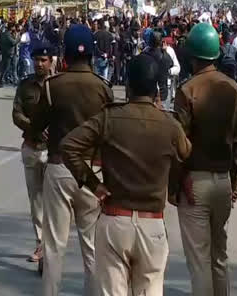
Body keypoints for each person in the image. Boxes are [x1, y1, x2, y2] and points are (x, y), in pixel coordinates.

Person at [60, 54, 192, 296]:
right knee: (150, 289)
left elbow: (69, 146)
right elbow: (186, 153)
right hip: (152, 223)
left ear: (128, 86)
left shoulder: (109, 117)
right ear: (157, 91)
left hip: (114, 219)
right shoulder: (169, 125)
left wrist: (92, 183)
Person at [30, 24, 114, 296]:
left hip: (59, 167)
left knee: (54, 246)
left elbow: (35, 126)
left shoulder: (54, 87)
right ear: (92, 54)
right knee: (92, 246)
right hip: (93, 172)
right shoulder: (104, 88)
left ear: (64, 55)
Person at [173, 22, 237, 296]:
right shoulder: (233, 89)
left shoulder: (187, 91)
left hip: (195, 182)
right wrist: (235, 182)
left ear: (192, 56)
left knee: (199, 261)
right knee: (219, 256)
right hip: (223, 180)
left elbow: (180, 144)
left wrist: (176, 184)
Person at [11, 40, 53, 264]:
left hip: (53, 151)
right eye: (36, 60)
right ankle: (41, 243)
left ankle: (51, 243)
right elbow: (16, 114)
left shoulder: (58, 85)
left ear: (51, 62)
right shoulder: (25, 85)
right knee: (35, 199)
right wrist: (33, 127)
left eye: (43, 60)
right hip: (31, 148)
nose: (39, 64)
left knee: (53, 199)